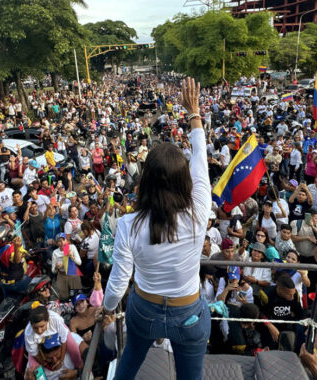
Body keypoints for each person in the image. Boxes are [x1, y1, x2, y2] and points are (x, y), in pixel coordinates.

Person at [100, 77, 212, 380]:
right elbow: (200, 159)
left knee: (128, 364)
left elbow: (120, 280)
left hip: (144, 311)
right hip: (189, 312)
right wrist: (194, 113)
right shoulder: (199, 211)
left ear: (146, 179)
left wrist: (108, 309)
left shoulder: (127, 224)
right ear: (184, 180)